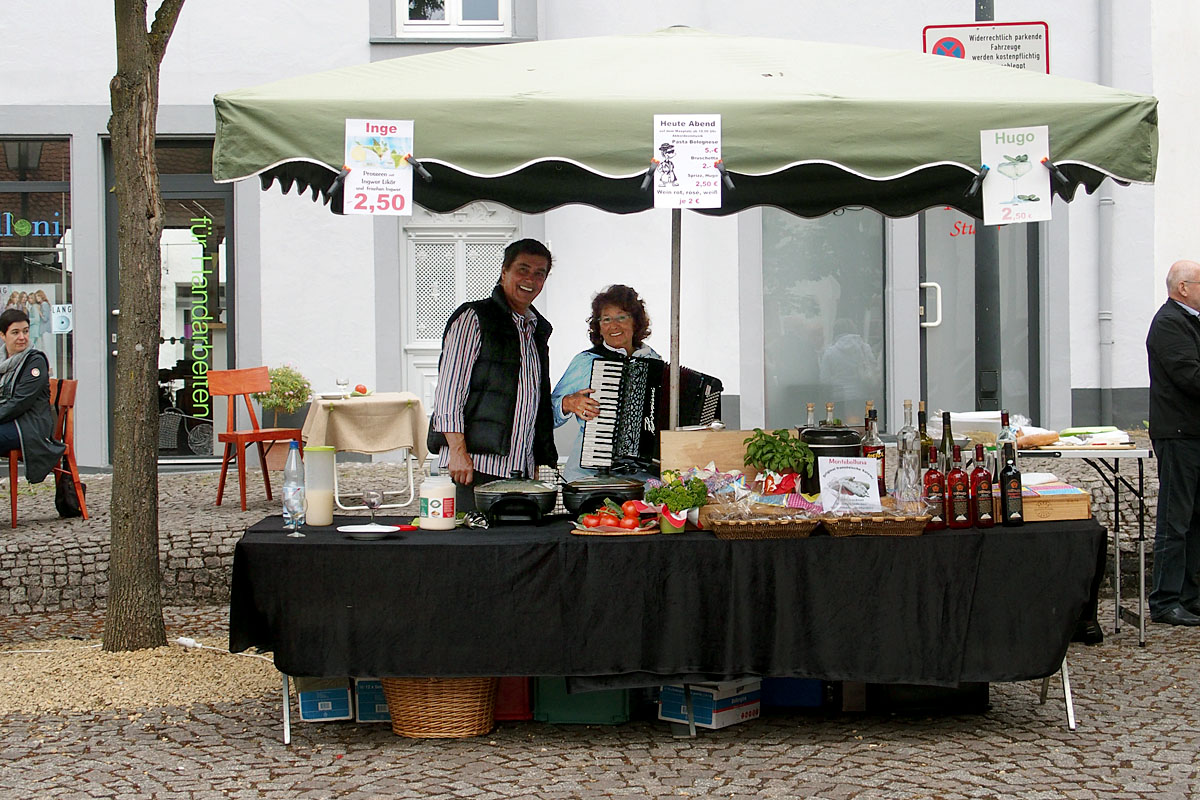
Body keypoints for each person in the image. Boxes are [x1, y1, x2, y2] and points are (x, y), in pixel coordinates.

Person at [427, 239, 557, 513]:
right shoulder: (474, 318)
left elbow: (532, 399)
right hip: (474, 467)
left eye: (539, 273)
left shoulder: (536, 329)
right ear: (504, 272)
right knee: (472, 548)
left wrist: (532, 460)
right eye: (523, 269)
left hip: (519, 470)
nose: (530, 279)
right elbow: (450, 392)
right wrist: (458, 453)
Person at [551, 285, 662, 482]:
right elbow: (547, 416)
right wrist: (567, 403)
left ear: (636, 322)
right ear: (599, 327)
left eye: (622, 317)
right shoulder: (587, 361)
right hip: (590, 475)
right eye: (606, 319)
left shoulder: (654, 361)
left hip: (641, 479)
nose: (614, 325)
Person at [1146, 259, 1200, 626]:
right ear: (1183, 287)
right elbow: (1190, 376)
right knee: (1175, 519)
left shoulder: (1188, 322)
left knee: (1195, 519)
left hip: (1192, 433)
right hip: (1179, 435)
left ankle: (1190, 595)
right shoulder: (1169, 323)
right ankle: (1165, 600)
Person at [0, 308, 65, 484]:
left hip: (30, 426)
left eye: (25, 331)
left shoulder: (35, 361)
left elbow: (19, 402)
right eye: (15, 332)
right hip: (10, 422)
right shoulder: (3, 362)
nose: (22, 337)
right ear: (3, 335)